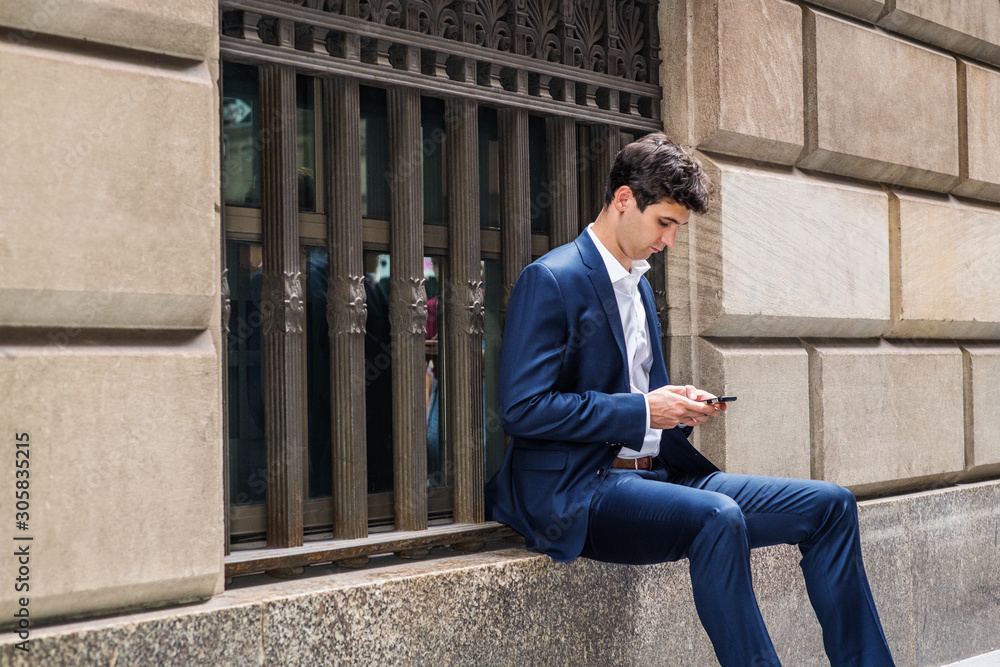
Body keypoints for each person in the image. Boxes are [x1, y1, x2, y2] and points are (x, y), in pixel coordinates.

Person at [484, 133, 895, 666]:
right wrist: (642, 410)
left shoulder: (639, 286)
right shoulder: (553, 279)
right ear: (625, 199)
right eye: (665, 223)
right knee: (718, 517)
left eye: (678, 227)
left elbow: (635, 392)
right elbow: (523, 408)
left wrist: (677, 404)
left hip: (661, 475)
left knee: (831, 505)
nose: (671, 241)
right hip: (585, 489)